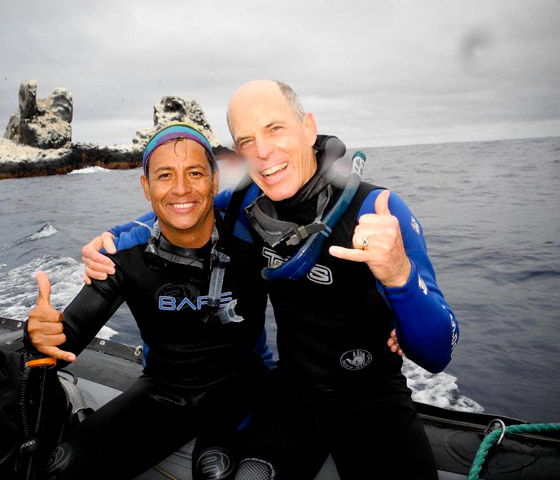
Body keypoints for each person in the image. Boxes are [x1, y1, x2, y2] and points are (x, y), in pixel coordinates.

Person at [83, 81, 459, 479]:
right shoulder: (248, 205)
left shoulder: (375, 209)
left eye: (275, 128)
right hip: (292, 396)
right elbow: (183, 211)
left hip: (376, 399)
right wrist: (111, 239)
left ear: (308, 128)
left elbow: (437, 353)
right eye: (246, 140)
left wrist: (399, 275)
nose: (262, 152)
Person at [26, 122, 273, 480]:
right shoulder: (123, 253)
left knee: (215, 470)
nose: (182, 189)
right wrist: (38, 334)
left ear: (215, 180)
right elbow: (61, 342)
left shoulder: (252, 236)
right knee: (60, 467)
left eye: (195, 173)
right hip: (163, 391)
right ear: (146, 187)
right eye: (164, 176)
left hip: (238, 386)